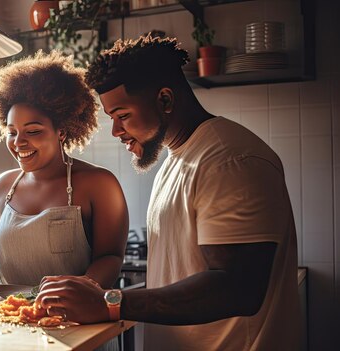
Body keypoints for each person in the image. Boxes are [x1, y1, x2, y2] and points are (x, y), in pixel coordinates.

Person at [36, 35, 300, 351]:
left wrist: (111, 301)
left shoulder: (230, 161)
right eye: (112, 119)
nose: (116, 131)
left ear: (165, 100)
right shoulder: (179, 158)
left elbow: (237, 288)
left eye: (122, 115)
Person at [0, 51, 129, 298]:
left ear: (62, 132)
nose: (18, 143)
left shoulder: (98, 184)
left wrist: (79, 289)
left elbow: (110, 257)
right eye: (12, 132)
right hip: (12, 321)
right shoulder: (3, 186)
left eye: (33, 131)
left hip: (77, 321)